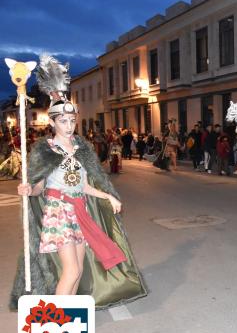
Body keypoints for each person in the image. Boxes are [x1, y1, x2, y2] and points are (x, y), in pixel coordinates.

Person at [10, 55, 146, 310]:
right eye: (63, 121)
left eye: (72, 120)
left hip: (79, 212)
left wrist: (109, 196)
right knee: (71, 271)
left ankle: (67, 317)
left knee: (79, 268)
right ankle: (54, 323)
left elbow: (84, 185)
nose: (69, 125)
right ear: (52, 122)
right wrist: (30, 189)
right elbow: (40, 186)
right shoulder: (45, 148)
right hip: (59, 213)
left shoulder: (81, 148)